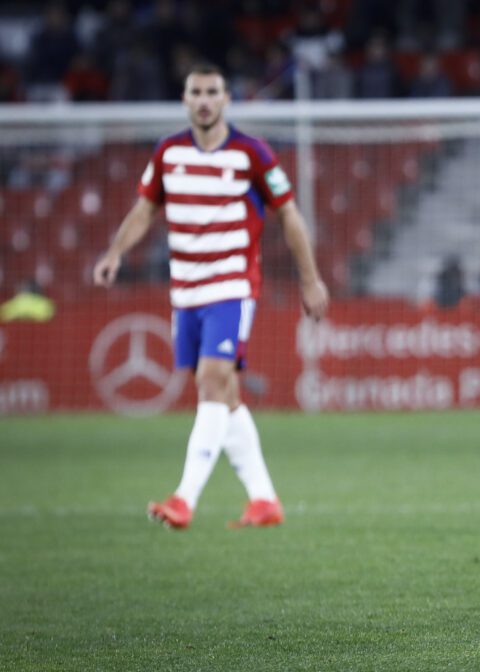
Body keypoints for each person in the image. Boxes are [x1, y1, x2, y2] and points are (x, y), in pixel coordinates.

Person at [93, 64, 329, 529]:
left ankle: (184, 498)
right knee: (227, 392)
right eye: (196, 92)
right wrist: (115, 253)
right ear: (185, 100)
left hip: (233, 285)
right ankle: (264, 500)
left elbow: (290, 216)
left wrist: (310, 279)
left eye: (212, 92)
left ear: (226, 99)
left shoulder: (251, 153)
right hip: (186, 290)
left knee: (210, 378)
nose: (204, 100)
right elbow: (145, 210)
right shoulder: (168, 152)